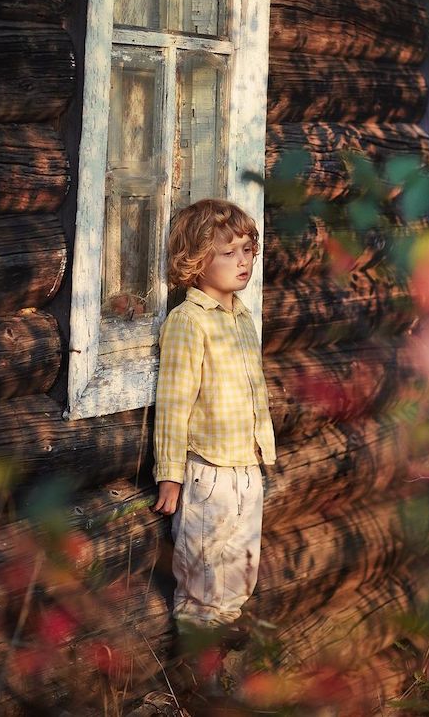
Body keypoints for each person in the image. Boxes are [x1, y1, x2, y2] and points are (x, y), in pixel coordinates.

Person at [152, 198, 277, 634]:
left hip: (246, 465)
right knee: (204, 571)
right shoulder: (189, 321)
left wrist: (262, 453)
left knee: (241, 567)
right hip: (208, 472)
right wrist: (170, 473)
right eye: (228, 253)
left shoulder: (241, 318)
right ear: (195, 261)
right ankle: (194, 667)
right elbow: (173, 402)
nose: (243, 262)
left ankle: (222, 658)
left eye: (247, 250)